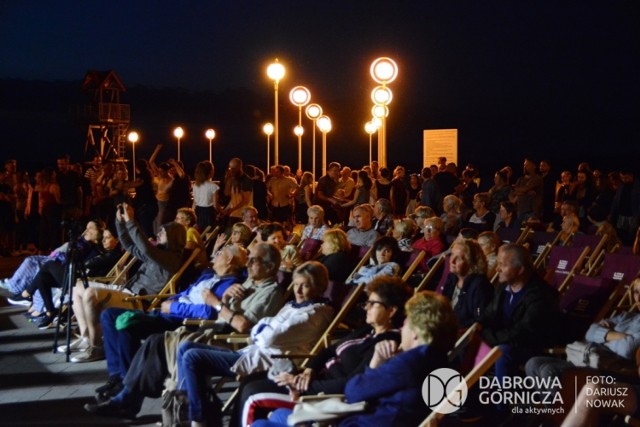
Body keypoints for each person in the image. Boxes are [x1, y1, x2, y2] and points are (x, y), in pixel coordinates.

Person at [84, 243, 286, 416]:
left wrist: (217, 303)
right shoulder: (247, 283)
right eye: (248, 259)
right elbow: (217, 307)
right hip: (208, 329)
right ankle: (127, 396)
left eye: (254, 260)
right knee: (151, 338)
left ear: (269, 267)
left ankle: (129, 398)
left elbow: (240, 324)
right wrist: (223, 300)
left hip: (229, 340)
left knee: (151, 336)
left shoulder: (269, 291)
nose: (248, 264)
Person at [253, 290, 459, 427]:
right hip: (369, 417)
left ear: (416, 332)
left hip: (356, 422)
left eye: (406, 324)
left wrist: (377, 363)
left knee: (263, 422)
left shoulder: (408, 364)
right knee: (275, 417)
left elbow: (354, 391)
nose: (402, 328)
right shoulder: (439, 362)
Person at [172, 262, 334, 425]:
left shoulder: (313, 314)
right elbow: (264, 329)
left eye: (304, 286)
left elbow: (268, 337)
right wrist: (263, 329)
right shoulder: (293, 306)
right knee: (185, 347)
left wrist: (263, 329)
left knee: (192, 357)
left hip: (270, 360)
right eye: (296, 284)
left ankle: (198, 420)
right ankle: (188, 411)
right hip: (253, 351)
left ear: (318, 287)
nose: (298, 291)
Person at [238, 276, 411, 426]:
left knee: (253, 394)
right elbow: (328, 351)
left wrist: (300, 384)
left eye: (373, 304)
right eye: (367, 302)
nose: (366, 307)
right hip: (311, 381)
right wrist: (309, 370)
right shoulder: (367, 331)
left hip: (321, 397)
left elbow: (351, 382)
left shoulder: (386, 343)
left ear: (391, 310)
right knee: (250, 381)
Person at [69, 203, 186, 363]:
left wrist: (131, 221)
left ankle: (96, 347)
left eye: (163, 232)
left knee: (90, 293)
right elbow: (129, 246)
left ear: (173, 237)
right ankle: (86, 336)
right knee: (78, 287)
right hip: (126, 291)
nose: (158, 234)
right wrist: (120, 223)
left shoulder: (171, 259)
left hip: (136, 300)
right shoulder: (159, 253)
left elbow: (145, 249)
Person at [525, 277, 640, 395]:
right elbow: (590, 332)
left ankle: (558, 412)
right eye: (636, 292)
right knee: (533, 363)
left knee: (550, 371)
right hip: (584, 360)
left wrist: (603, 335)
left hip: (610, 370)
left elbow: (628, 349)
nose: (639, 298)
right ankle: (554, 409)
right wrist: (621, 336)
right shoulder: (626, 317)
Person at [479, 243, 559, 384]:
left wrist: (486, 337)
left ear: (520, 269)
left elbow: (523, 332)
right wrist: (475, 328)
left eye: (502, 265)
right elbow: (489, 314)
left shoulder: (541, 295)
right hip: (500, 340)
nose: (497, 269)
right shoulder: (503, 287)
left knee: (502, 352)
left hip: (528, 348)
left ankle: (502, 404)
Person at [440, 239, 493, 328]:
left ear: (471, 262)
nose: (452, 261)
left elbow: (478, 322)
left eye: (459, 258)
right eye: (452, 254)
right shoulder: (452, 278)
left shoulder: (480, 285)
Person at [191, 160, 220, 232]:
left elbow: (194, 202)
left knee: (199, 231)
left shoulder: (196, 185)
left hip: (198, 210)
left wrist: (192, 212)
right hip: (208, 212)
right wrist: (220, 212)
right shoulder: (214, 186)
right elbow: (216, 205)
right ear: (210, 172)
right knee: (209, 232)